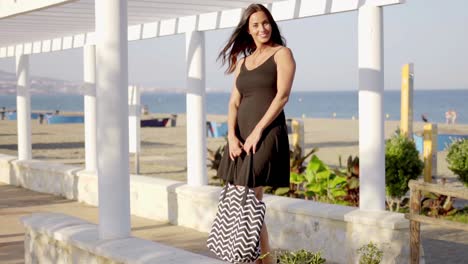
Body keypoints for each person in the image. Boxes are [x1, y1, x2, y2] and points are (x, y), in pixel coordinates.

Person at [216, 4, 296, 264]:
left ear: (271, 24)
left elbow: (282, 96)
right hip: (240, 136)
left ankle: (253, 259)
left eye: (265, 23)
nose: (262, 28)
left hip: (266, 133)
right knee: (251, 202)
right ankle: (264, 260)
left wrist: (257, 131)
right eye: (255, 25)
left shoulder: (282, 53)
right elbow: (233, 103)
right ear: (248, 30)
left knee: (249, 196)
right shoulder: (243, 62)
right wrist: (231, 135)